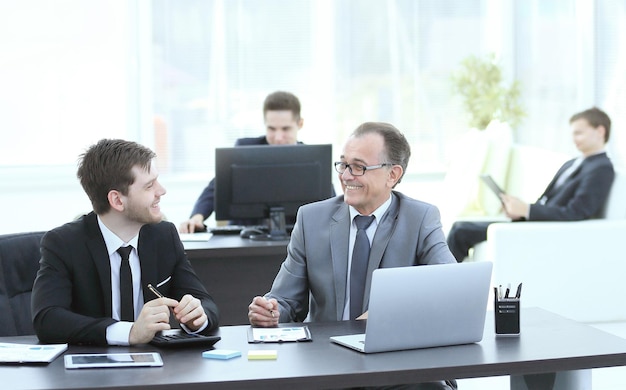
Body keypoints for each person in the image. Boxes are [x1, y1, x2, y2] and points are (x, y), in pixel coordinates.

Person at [248, 122, 457, 390]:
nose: (346, 176)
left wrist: (386, 312)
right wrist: (272, 311)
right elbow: (286, 299)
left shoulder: (420, 218)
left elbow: (449, 286)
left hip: (398, 362)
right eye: (343, 165)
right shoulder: (311, 219)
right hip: (328, 361)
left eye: (358, 167)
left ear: (392, 175)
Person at [31, 139, 220, 346]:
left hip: (156, 371)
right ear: (117, 200)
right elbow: (47, 320)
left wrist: (198, 317)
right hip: (91, 370)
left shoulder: (164, 236)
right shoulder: (63, 244)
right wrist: (128, 332)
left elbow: (205, 302)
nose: (161, 191)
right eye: (149, 186)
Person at [447, 107, 615, 262]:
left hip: (543, 231)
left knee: (461, 231)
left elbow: (576, 212)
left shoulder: (602, 168)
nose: (574, 139)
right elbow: (547, 201)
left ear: (600, 131)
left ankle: (441, 284)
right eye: (572, 134)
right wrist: (521, 212)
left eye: (579, 133)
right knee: (459, 227)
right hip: (533, 222)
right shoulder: (571, 163)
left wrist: (528, 210)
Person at [179, 90, 304, 233]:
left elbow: (329, 203)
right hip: (243, 236)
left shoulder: (313, 159)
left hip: (293, 239)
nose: (278, 137)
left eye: (285, 129)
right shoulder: (245, 150)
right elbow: (217, 187)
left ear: (300, 124)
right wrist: (197, 217)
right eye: (271, 129)